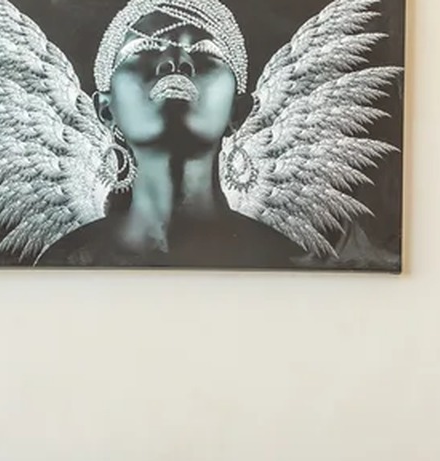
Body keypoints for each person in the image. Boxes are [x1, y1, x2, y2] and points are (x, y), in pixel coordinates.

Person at [39, 0, 306, 267]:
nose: (176, 61)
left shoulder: (284, 260)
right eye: (144, 48)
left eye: (204, 53)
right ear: (107, 110)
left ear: (237, 111)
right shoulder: (67, 259)